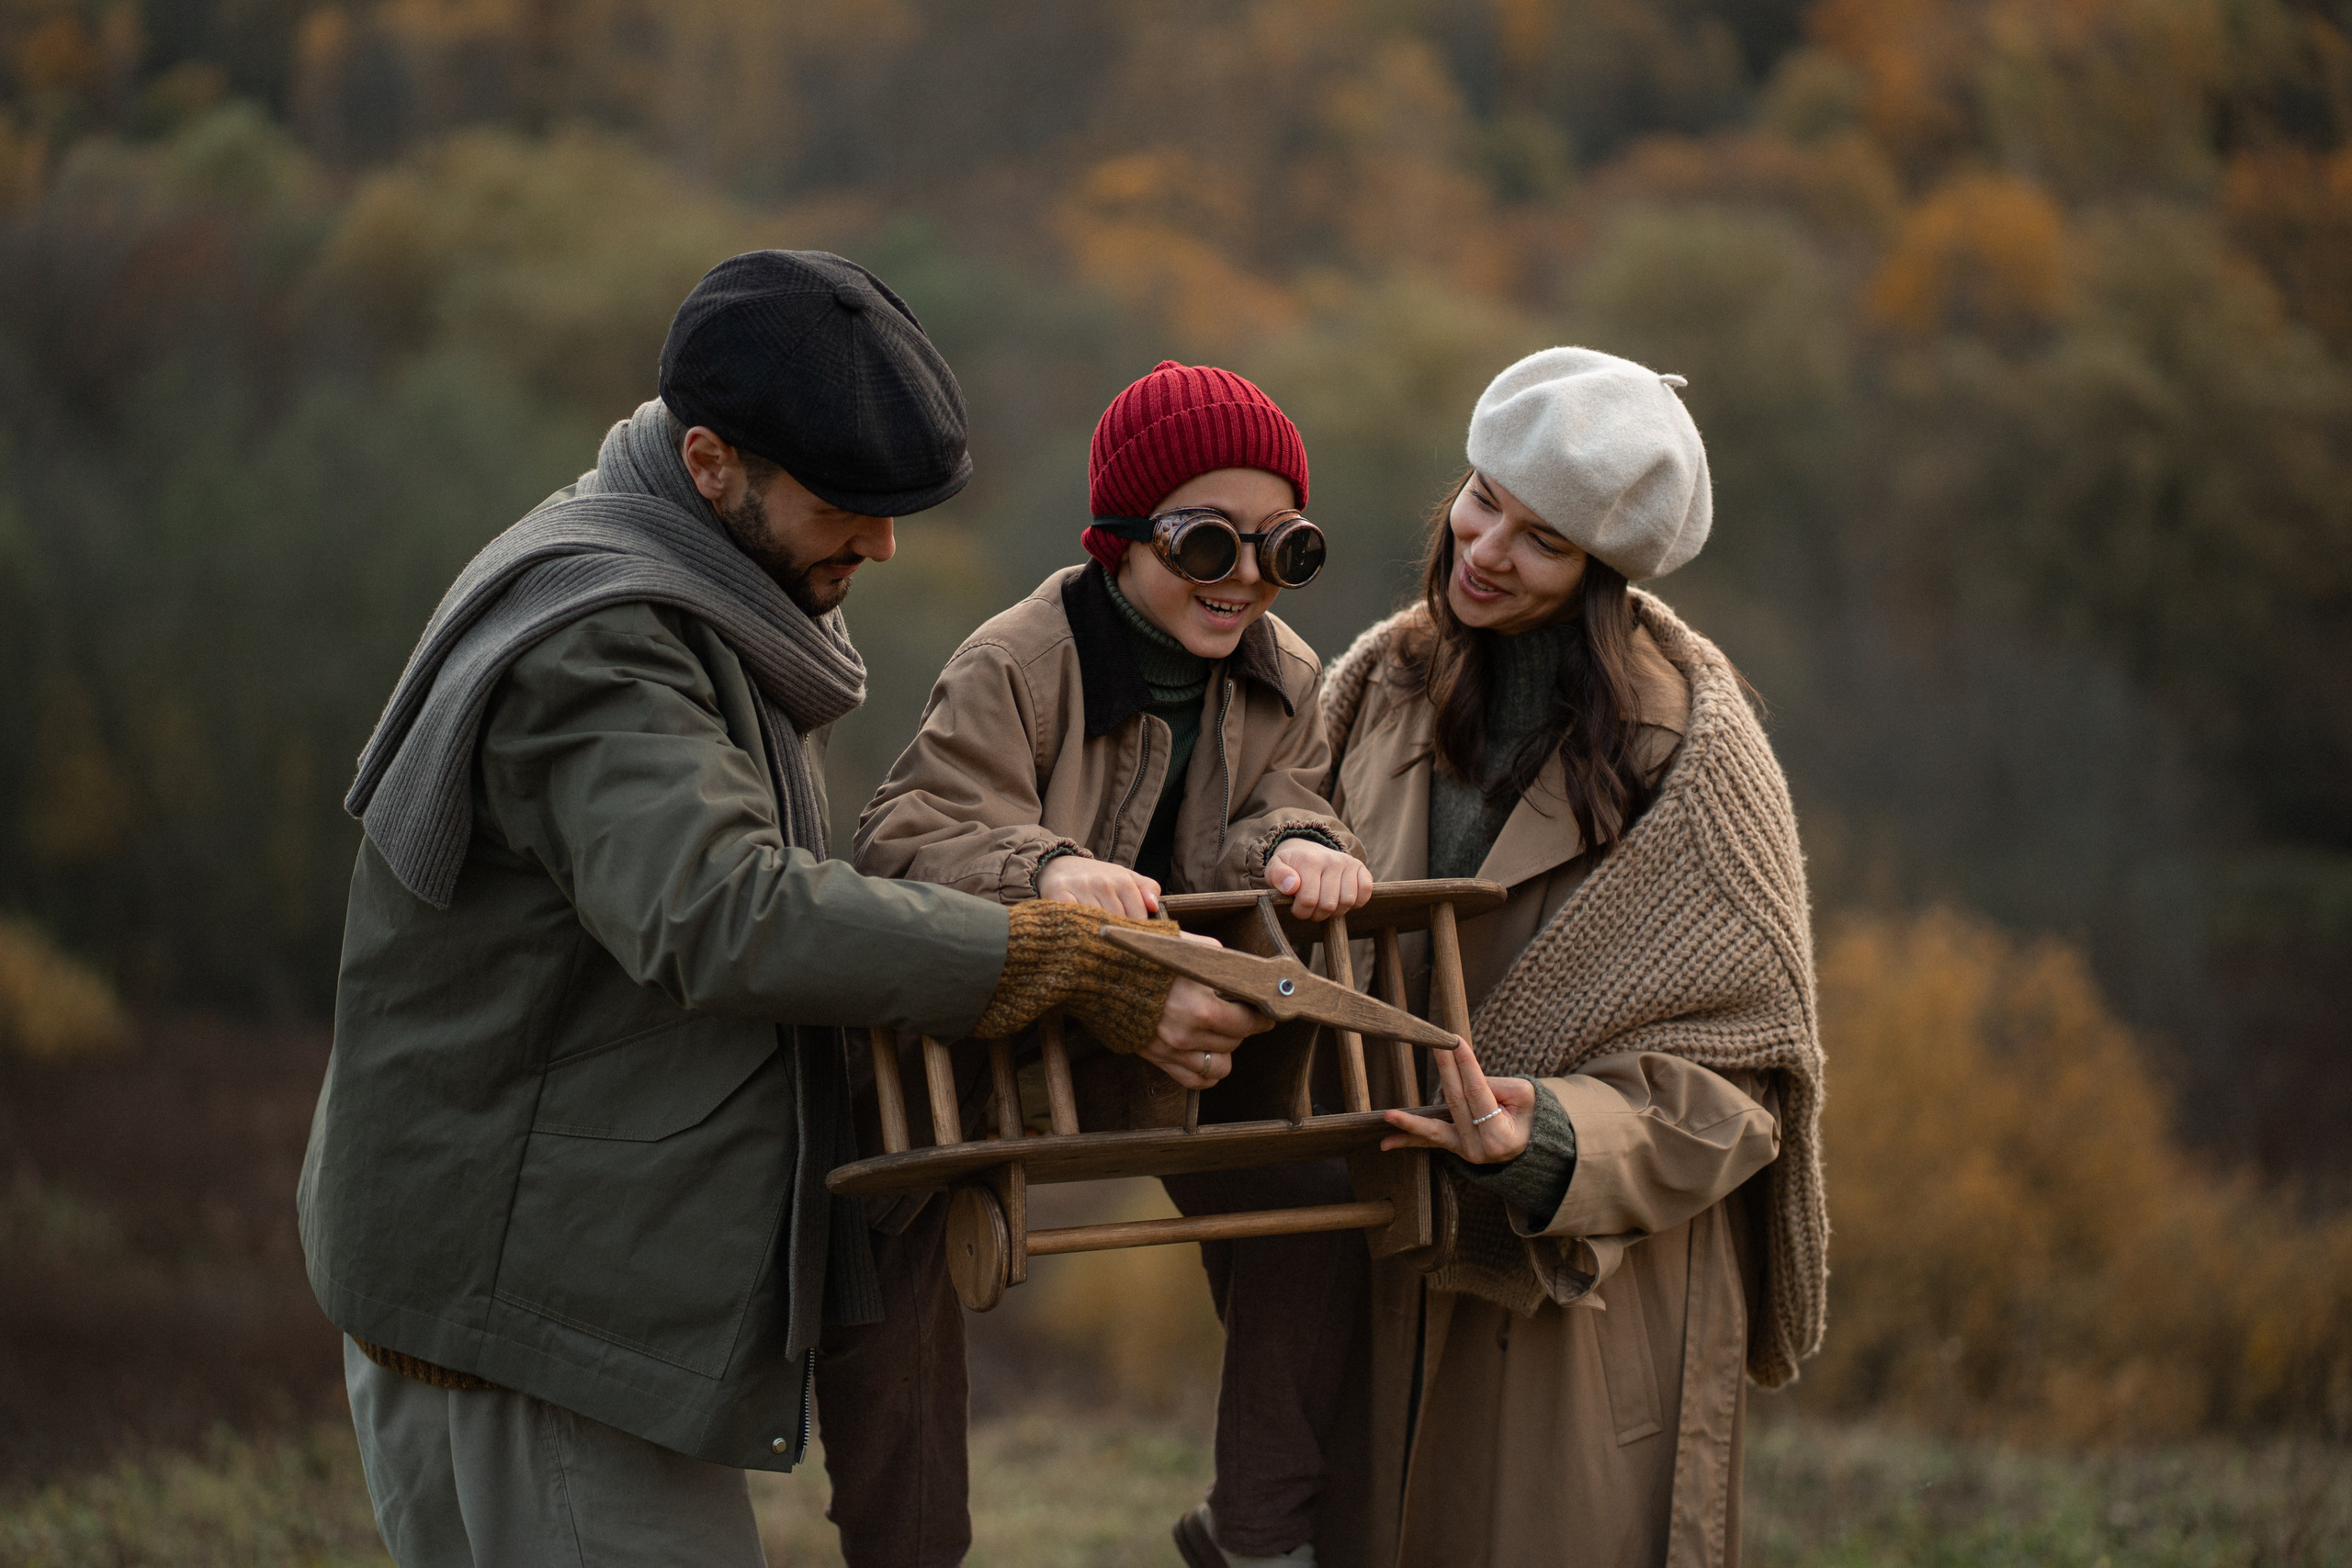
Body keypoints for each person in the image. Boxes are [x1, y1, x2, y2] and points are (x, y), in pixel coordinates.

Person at [297, 253, 1269, 1568]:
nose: (880, 543)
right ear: (710, 461)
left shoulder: (705, 598)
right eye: (846, 508)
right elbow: (720, 907)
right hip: (525, 1320)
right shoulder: (606, 640)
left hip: (566, 1286)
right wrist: (1050, 959)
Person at [1312, 347, 1829, 1568]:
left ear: (1603, 570)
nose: (1487, 551)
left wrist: (1546, 1136)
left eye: (1541, 541)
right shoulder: (1376, 689)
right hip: (1384, 1268)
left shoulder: (1693, 760)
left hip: (1583, 1311)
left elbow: (1743, 1090)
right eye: (1483, 502)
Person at [854, 360, 1375, 1568]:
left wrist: (1302, 848)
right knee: (885, 1254)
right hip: (1000, 1030)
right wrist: (1044, 867)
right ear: (1121, 538)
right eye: (1207, 545)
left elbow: (1285, 802)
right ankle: (907, 1546)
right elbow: (907, 832)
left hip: (1182, 1028)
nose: (1246, 580)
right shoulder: (1019, 663)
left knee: (1318, 1191)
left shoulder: (1284, 672)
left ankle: (1260, 1535)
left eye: (1283, 548)